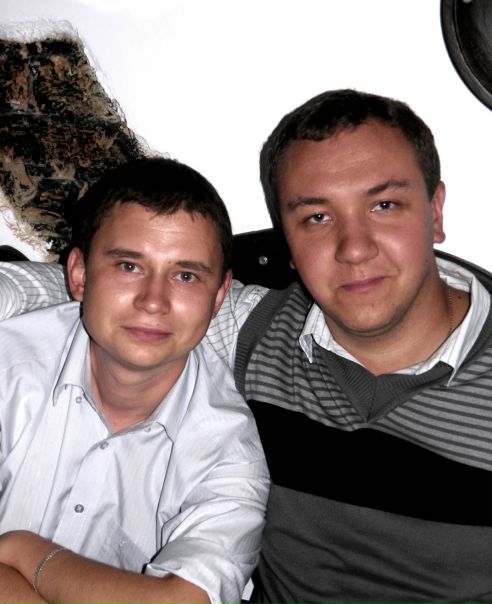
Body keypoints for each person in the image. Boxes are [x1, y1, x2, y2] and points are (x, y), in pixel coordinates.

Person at [2, 89, 492, 602]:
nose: (354, 248)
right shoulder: (258, 331)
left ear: (435, 211)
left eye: (384, 205)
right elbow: (125, 300)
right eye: (317, 217)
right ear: (288, 244)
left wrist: (22, 553)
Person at [0, 157, 269, 604]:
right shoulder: (9, 365)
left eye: (185, 275)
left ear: (219, 296)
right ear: (79, 274)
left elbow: (187, 601)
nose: (153, 301)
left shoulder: (228, 452)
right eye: (129, 266)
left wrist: (27, 554)